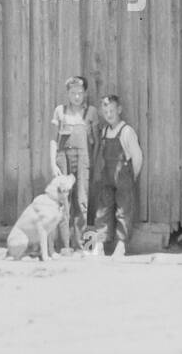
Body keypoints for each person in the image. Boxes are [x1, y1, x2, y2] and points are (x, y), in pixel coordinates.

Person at [90, 95, 143, 258]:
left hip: (123, 177)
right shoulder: (105, 131)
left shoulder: (126, 131)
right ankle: (97, 245)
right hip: (107, 176)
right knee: (102, 210)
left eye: (112, 110)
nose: (109, 114)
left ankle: (121, 245)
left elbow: (137, 156)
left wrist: (132, 176)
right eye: (105, 111)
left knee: (123, 210)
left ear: (119, 110)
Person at [50, 75, 99, 252]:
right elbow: (53, 141)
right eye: (73, 93)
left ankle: (82, 247)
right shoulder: (60, 111)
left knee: (81, 200)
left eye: (80, 93)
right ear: (67, 93)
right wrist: (52, 164)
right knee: (64, 201)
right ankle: (63, 246)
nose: (77, 96)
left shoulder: (91, 112)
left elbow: (96, 141)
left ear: (85, 93)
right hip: (63, 159)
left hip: (83, 160)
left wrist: (92, 162)